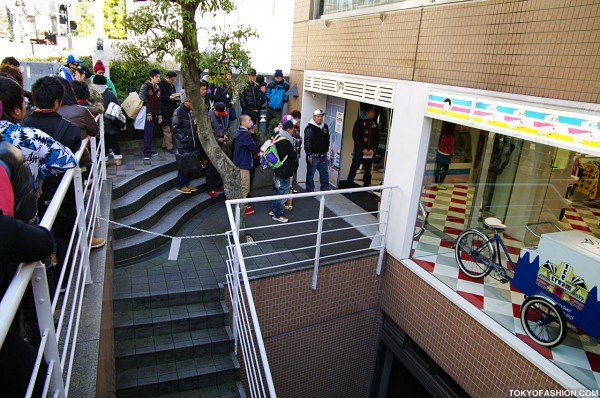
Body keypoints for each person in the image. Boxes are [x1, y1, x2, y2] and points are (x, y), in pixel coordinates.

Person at [171, 90, 202, 194]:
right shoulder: (178, 111)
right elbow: (176, 128)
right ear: (185, 101)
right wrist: (185, 139)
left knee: (189, 164)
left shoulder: (190, 112)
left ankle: (187, 183)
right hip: (183, 144)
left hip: (191, 143)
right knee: (183, 165)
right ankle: (180, 185)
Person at [269, 120, 297, 223]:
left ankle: (273, 210)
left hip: (277, 168)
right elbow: (293, 156)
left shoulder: (277, 137)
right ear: (289, 129)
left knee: (276, 191)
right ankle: (278, 214)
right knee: (282, 193)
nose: (293, 131)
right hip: (284, 170)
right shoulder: (286, 141)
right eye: (293, 129)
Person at [346, 104, 380, 188]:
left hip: (370, 152)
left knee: (368, 170)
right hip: (359, 150)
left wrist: (373, 149)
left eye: (374, 111)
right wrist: (363, 148)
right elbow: (355, 136)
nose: (373, 113)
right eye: (371, 111)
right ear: (366, 112)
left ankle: (366, 186)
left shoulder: (374, 123)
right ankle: (349, 185)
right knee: (354, 167)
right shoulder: (359, 122)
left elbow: (377, 137)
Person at [94, 74, 123, 166]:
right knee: (114, 141)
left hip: (98, 123)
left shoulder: (92, 94)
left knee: (103, 143)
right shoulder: (110, 93)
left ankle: (104, 161)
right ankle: (117, 159)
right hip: (110, 122)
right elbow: (117, 106)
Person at [232, 114, 258, 215]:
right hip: (243, 164)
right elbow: (253, 147)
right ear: (243, 122)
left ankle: (241, 206)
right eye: (249, 120)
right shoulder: (245, 134)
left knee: (241, 186)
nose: (251, 122)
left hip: (239, 162)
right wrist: (252, 134)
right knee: (245, 187)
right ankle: (242, 208)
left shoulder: (239, 133)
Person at [304, 109, 330, 192]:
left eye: (321, 116)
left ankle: (325, 187)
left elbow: (327, 139)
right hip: (313, 155)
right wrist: (309, 154)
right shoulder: (309, 128)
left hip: (323, 154)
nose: (320, 118)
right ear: (314, 117)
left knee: (324, 172)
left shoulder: (325, 126)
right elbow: (307, 142)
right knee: (311, 173)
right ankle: (310, 188)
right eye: (318, 116)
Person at [139, 69, 163, 160]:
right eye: (156, 77)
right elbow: (143, 100)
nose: (158, 78)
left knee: (152, 132)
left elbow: (159, 102)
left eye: (159, 77)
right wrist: (148, 113)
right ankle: (146, 152)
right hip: (147, 114)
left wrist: (159, 115)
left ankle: (148, 149)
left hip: (155, 113)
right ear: (151, 77)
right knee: (148, 133)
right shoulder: (145, 86)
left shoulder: (157, 88)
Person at [206, 102, 228, 197]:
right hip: (211, 145)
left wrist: (223, 136)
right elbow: (207, 134)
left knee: (219, 166)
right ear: (214, 110)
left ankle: (218, 184)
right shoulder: (208, 118)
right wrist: (216, 139)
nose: (221, 115)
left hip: (219, 144)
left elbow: (221, 128)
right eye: (219, 112)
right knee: (211, 167)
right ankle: (210, 188)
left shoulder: (219, 117)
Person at [158, 71, 179, 154]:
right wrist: (169, 97)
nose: (173, 82)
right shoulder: (160, 85)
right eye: (172, 80)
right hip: (164, 109)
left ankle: (165, 144)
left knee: (170, 127)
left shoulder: (172, 85)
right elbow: (159, 98)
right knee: (166, 128)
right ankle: (169, 146)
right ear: (167, 77)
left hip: (172, 108)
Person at [434, 121, 456, 190]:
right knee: (444, 171)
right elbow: (451, 147)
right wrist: (452, 153)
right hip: (446, 155)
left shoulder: (443, 132)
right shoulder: (452, 136)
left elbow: (439, 140)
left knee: (437, 169)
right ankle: (439, 184)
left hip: (440, 152)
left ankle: (435, 183)